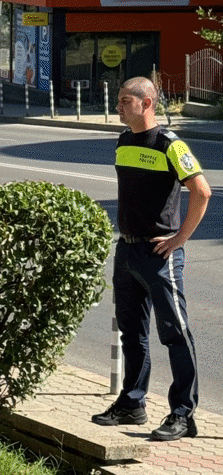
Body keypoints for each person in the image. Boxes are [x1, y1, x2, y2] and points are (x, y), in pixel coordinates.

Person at [91, 76, 211, 441]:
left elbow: (201, 192)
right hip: (126, 249)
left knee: (175, 333)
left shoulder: (170, 145)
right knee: (132, 333)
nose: (118, 106)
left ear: (147, 103)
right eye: (119, 99)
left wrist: (179, 239)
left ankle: (183, 414)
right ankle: (132, 403)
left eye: (126, 100)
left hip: (159, 254)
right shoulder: (123, 140)